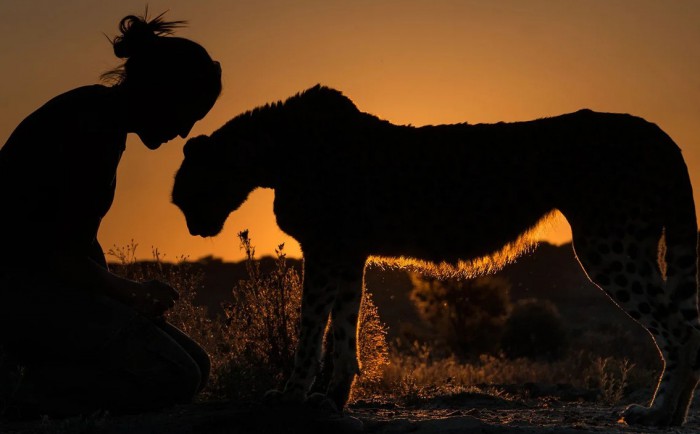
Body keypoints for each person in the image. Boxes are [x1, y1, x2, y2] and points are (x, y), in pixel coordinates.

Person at [0, 12, 222, 418]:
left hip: (36, 288)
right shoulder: (89, 130)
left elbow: (71, 238)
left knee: (197, 366)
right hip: (17, 292)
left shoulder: (97, 118)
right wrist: (128, 292)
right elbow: (54, 257)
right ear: (162, 94)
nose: (186, 131)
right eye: (188, 113)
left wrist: (120, 296)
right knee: (174, 376)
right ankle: (24, 399)